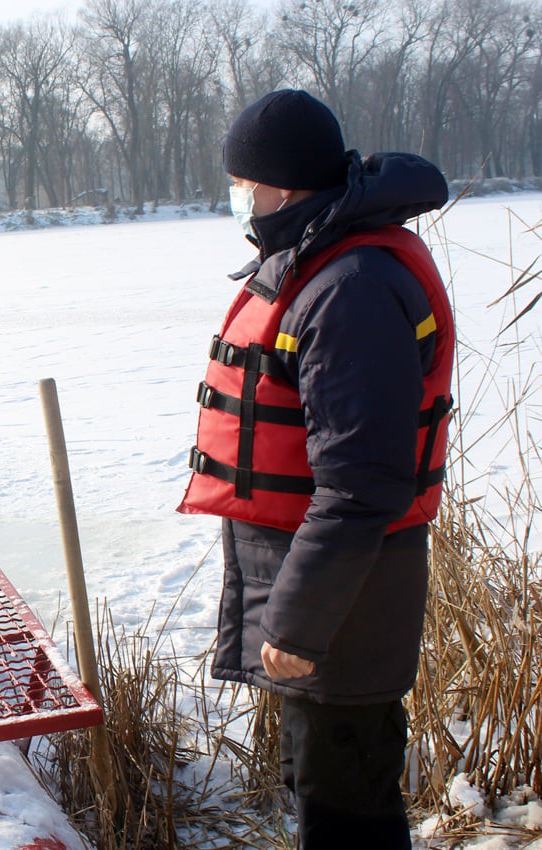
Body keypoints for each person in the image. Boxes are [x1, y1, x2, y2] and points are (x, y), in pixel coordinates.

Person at [178, 90, 454, 849]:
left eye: (243, 182)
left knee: (349, 810)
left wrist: (299, 623)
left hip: (347, 607)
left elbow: (362, 483)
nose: (237, 196)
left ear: (285, 187)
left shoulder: (351, 289)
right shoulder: (322, 261)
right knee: (327, 789)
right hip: (333, 597)